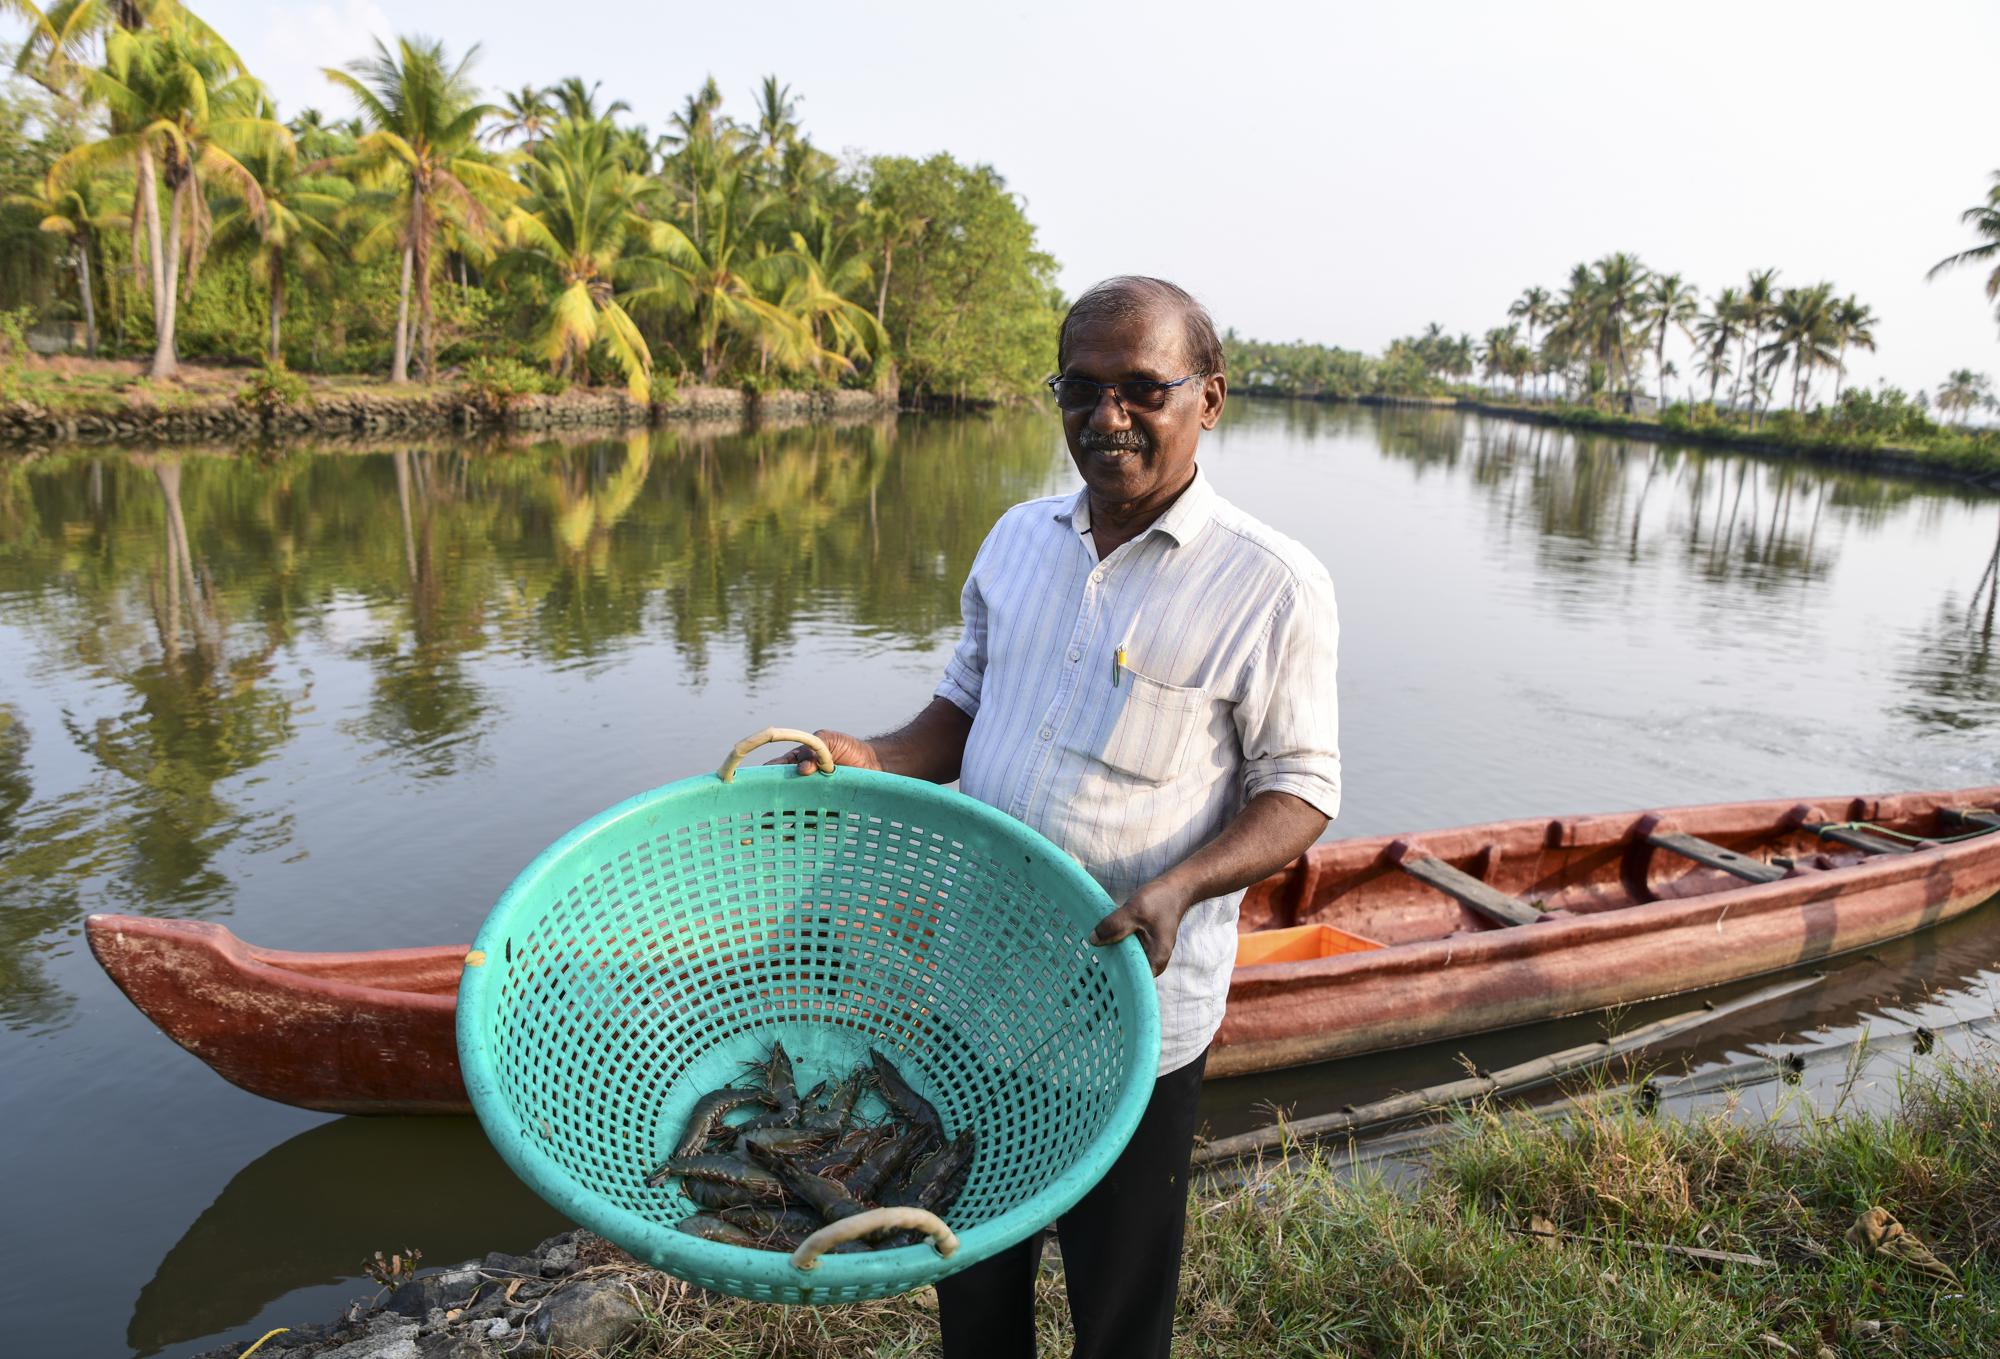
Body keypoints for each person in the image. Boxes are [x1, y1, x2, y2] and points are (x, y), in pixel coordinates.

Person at [788, 275, 1340, 1358]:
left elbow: (1301, 789)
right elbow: (961, 706)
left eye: (1143, 389)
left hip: (1128, 1016)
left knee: (1116, 1304)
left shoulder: (1270, 585)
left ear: (1208, 400)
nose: (1107, 417)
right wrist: (871, 758)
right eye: (1080, 388)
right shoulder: (1015, 539)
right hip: (973, 992)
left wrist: (1182, 885)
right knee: (973, 1274)